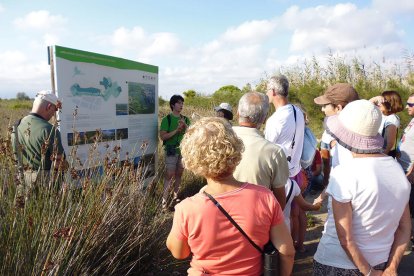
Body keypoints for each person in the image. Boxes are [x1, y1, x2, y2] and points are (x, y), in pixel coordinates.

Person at [166, 117, 295, 276]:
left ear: (192, 160)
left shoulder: (186, 209)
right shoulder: (265, 197)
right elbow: (287, 252)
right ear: (235, 150)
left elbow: (179, 253)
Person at [313, 100, 411, 275]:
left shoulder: (344, 173)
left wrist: (368, 272)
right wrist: (392, 267)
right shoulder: (397, 170)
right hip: (381, 261)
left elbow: (345, 239)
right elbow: (404, 227)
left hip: (337, 263)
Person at [264, 75, 306, 252]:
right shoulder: (297, 112)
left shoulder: (276, 120)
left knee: (282, 218)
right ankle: (297, 247)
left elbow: (266, 149)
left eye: (267, 89)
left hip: (282, 176)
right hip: (296, 169)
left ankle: (284, 255)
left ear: (273, 92)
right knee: (297, 213)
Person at [233, 92, 289, 209]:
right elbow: (280, 201)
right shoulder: (274, 151)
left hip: (220, 216)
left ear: (237, 113)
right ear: (264, 119)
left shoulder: (218, 141)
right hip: (257, 218)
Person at [11, 90, 65, 188]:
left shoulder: (16, 125)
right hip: (46, 187)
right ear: (49, 107)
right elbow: (59, 163)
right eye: (54, 110)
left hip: (23, 183)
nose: (54, 113)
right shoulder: (49, 130)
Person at [313, 83, 359, 188]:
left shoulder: (331, 132)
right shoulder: (364, 129)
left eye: (325, 106)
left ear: (338, 108)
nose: (322, 110)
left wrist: (326, 182)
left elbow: (326, 158)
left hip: (343, 189)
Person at [159, 95, 190, 209]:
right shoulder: (166, 119)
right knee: (169, 174)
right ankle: (164, 200)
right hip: (171, 150)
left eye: (182, 103)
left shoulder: (185, 119)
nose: (181, 105)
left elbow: (191, 133)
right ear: (172, 105)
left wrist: (185, 125)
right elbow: (163, 137)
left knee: (180, 173)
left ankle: (175, 196)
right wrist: (177, 130)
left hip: (183, 150)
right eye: (179, 103)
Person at [397, 93, 414, 249]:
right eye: (408, 103)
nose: (407, 107)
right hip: (404, 171)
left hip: (410, 174)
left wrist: (411, 173)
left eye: (411, 105)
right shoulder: (412, 120)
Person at [370, 90, 404, 157]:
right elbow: (366, 107)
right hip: (378, 151)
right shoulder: (383, 115)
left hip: (384, 154)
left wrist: (382, 157)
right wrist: (374, 99)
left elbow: (389, 143)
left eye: (382, 102)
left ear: (389, 104)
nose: (379, 104)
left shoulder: (392, 119)